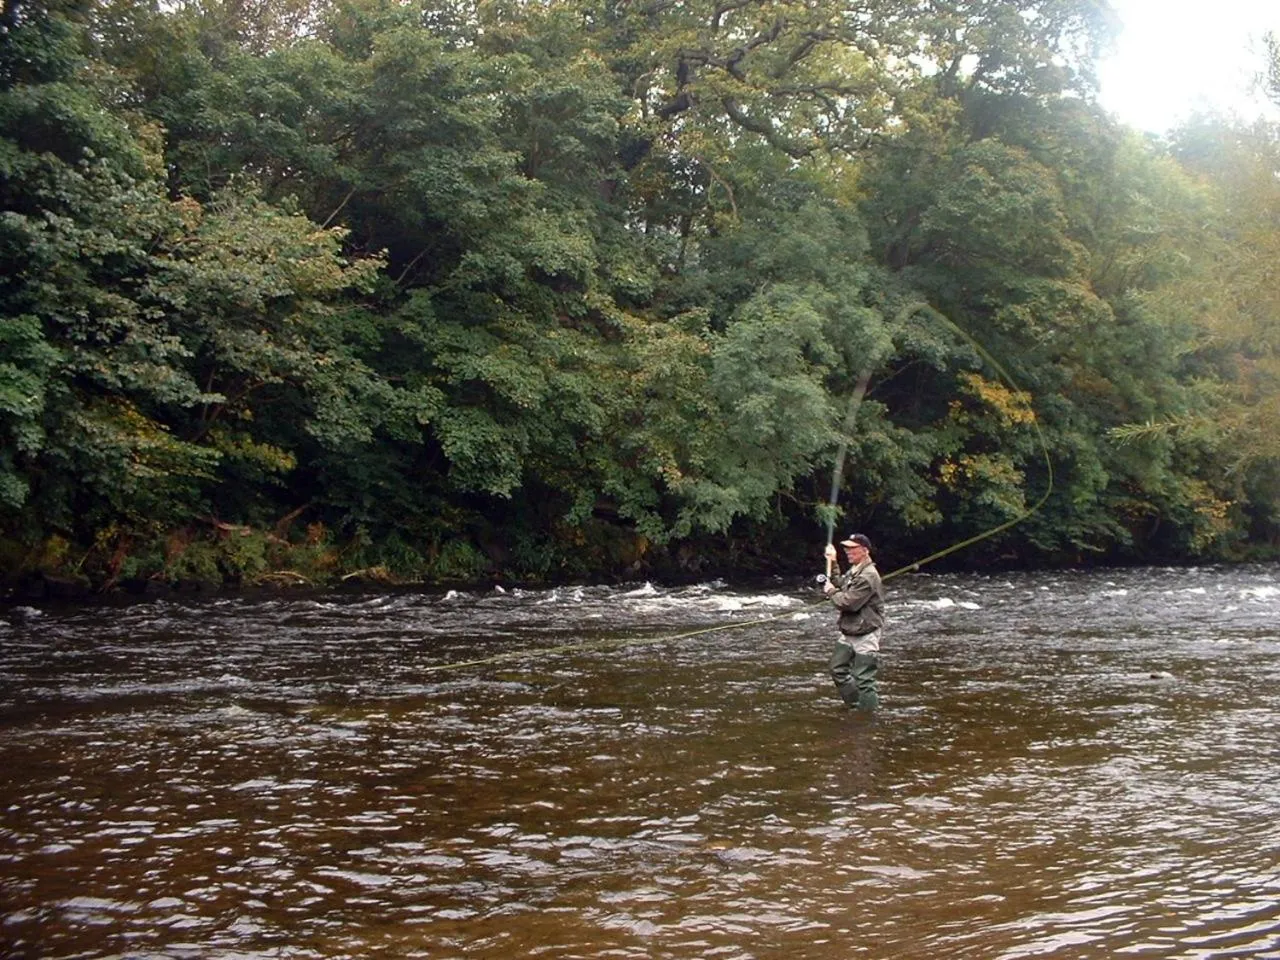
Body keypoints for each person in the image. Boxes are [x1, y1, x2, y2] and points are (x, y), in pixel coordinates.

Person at [822, 533, 885, 710]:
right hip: (850, 629)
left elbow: (847, 603)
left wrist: (831, 592)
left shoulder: (868, 576)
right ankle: (856, 706)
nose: (847, 551)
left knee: (864, 679)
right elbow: (841, 583)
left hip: (866, 631)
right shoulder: (856, 569)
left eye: (852, 548)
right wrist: (833, 561)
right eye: (846, 548)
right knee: (837, 669)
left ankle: (868, 718)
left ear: (865, 551)